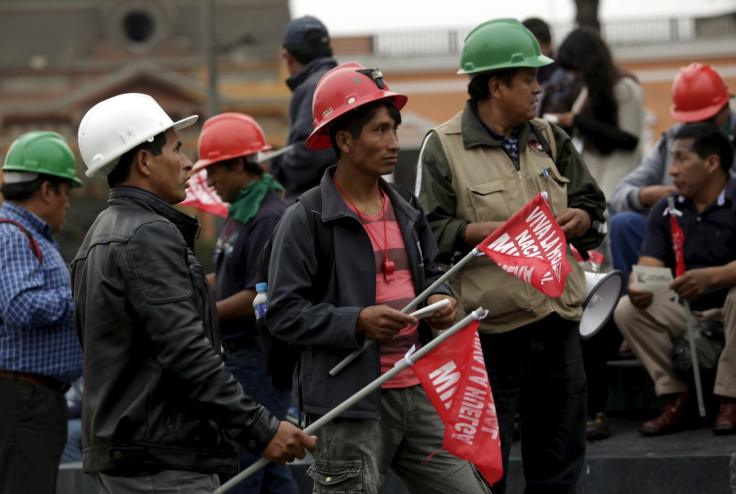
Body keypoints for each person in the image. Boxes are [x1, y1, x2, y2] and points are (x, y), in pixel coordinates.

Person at [71, 93, 316, 493]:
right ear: (144, 162)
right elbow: (185, 350)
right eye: (177, 149)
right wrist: (260, 428)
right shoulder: (147, 234)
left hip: (132, 450)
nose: (189, 164)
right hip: (161, 456)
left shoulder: (101, 233)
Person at [266, 62, 491, 494]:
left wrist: (442, 299)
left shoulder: (407, 206)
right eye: (380, 131)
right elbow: (282, 313)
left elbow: (431, 273)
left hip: (419, 390)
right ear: (345, 141)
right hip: (350, 406)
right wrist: (356, 320)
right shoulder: (306, 218)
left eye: (394, 129)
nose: (393, 142)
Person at [416, 18, 607, 494]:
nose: (540, 89)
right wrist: (478, 232)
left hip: (558, 325)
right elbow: (423, 235)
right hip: (489, 336)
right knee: (483, 472)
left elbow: (593, 207)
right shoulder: (442, 147)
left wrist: (582, 221)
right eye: (529, 79)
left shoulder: (551, 139)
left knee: (560, 465)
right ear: (496, 86)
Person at [192, 112, 298, 494]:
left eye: (215, 170)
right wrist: (190, 286)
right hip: (240, 357)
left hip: (258, 359)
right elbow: (233, 278)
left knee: (242, 470)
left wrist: (201, 313)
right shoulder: (242, 212)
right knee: (270, 472)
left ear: (239, 163)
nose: (210, 181)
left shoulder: (269, 217)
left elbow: (261, 293)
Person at [614, 122, 736, 437]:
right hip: (685, 309)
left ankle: (729, 398)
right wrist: (639, 286)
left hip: (729, 309)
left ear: (711, 163)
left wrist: (712, 278)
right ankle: (676, 396)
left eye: (681, 159)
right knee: (628, 309)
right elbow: (649, 265)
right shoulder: (665, 210)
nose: (671, 171)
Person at [0, 131, 84, 494]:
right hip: (23, 402)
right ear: (48, 190)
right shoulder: (14, 234)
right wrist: (82, 298)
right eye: (67, 191)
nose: (68, 202)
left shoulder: (31, 234)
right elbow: (20, 305)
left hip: (34, 400)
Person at [609, 62, 736, 284]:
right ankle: (639, 303)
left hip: (726, 237)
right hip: (678, 236)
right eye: (690, 122)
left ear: (725, 108)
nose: (697, 131)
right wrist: (648, 195)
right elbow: (620, 193)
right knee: (623, 223)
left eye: (705, 120)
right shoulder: (672, 141)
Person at [546, 27, 646, 202]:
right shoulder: (589, 89)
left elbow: (630, 140)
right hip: (593, 182)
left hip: (616, 186)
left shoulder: (626, 88)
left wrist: (577, 121)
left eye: (576, 70)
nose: (574, 76)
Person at [271, 15, 338, 202]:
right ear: (329, 51)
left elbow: (308, 153)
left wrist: (273, 166)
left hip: (319, 206)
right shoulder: (344, 81)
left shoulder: (312, 88)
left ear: (289, 57)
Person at [521, 17, 583, 119]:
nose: (528, 54)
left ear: (549, 44)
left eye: (535, 47)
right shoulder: (516, 81)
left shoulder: (570, 78)